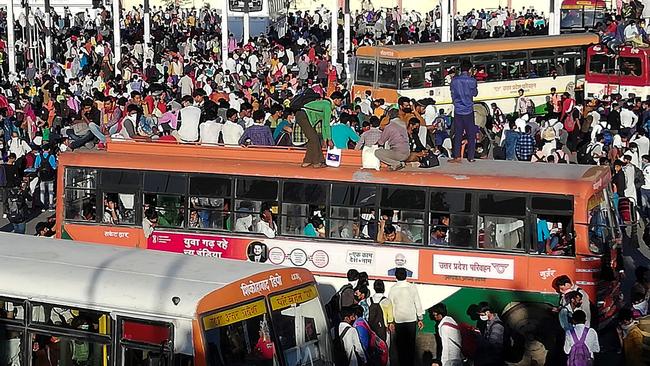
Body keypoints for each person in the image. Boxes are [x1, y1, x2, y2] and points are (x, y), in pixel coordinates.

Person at [295, 91, 344, 168]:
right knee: (314, 139)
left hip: (303, 116)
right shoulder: (327, 106)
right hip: (304, 116)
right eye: (341, 100)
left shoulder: (325, 104)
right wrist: (329, 139)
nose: (341, 103)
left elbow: (324, 124)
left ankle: (307, 161)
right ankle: (316, 162)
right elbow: (326, 124)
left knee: (313, 139)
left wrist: (325, 140)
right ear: (336, 100)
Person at [388, 267, 424, 366]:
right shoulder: (412, 287)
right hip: (411, 320)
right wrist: (420, 318)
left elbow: (390, 305)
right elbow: (418, 304)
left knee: (400, 346)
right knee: (411, 345)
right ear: (406, 275)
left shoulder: (393, 289)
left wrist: (390, 321)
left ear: (395, 276)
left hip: (398, 320)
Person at [449, 60, 478, 163]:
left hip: (458, 110)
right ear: (470, 69)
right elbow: (475, 94)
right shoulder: (472, 81)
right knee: (471, 134)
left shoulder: (454, 81)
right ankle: (471, 157)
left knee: (458, 134)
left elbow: (452, 95)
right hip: (468, 110)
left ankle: (457, 156)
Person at [375, 100, 411, 171]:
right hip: (407, 152)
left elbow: (381, 142)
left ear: (389, 116)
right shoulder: (403, 124)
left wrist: (373, 145)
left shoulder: (389, 126)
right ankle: (400, 163)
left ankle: (396, 163)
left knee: (377, 152)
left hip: (398, 153)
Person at [34, 144, 57, 211]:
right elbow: (54, 167)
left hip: (42, 176)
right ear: (49, 150)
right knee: (50, 191)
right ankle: (50, 206)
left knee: (42, 191)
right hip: (50, 176)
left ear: (43, 150)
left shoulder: (39, 156)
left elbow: (36, 166)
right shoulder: (52, 156)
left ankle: (42, 206)